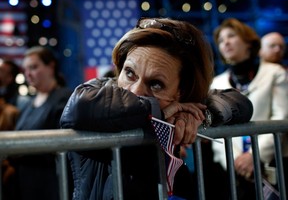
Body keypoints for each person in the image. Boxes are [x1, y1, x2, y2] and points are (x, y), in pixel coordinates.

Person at [60, 17, 253, 200]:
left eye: (156, 84)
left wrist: (201, 114)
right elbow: (77, 108)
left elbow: (241, 103)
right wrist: (159, 112)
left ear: (181, 93)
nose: (135, 91)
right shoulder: (98, 91)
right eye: (129, 73)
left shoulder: (182, 104)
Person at [211, 18, 288, 199]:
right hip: (235, 171)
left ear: (248, 42)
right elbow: (217, 132)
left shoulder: (274, 73)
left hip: (273, 163)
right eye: (221, 41)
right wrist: (236, 161)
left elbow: (281, 118)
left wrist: (254, 156)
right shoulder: (216, 83)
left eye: (231, 36)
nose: (226, 43)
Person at [7, 46, 72, 200]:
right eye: (25, 69)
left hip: (51, 184)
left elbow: (64, 145)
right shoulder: (28, 104)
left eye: (33, 67)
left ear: (51, 67)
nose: (28, 74)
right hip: (25, 183)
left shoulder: (64, 98)